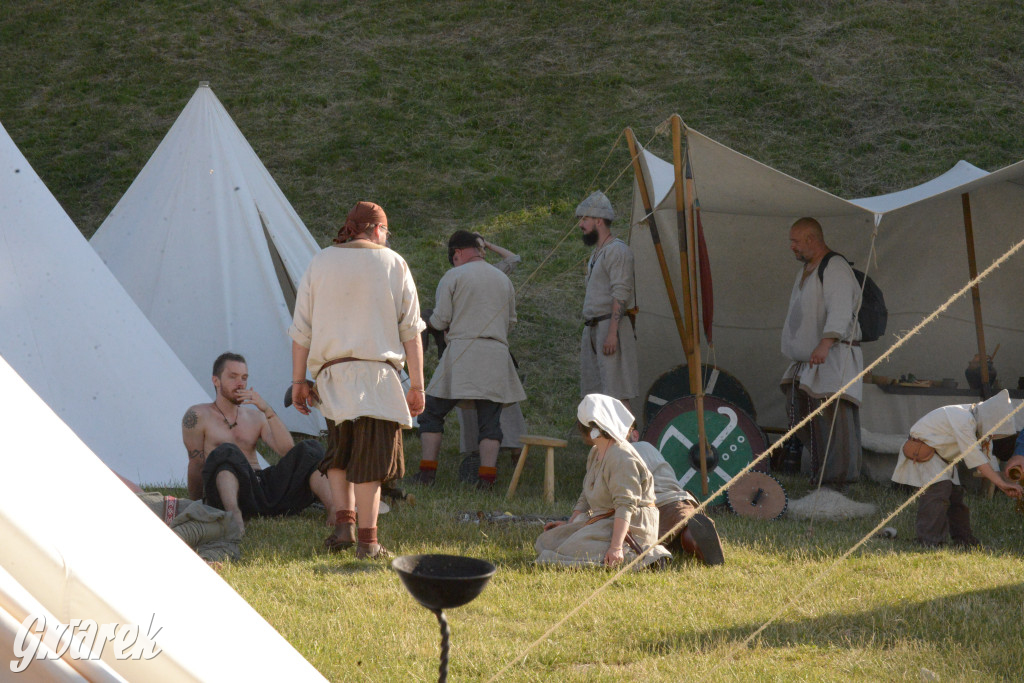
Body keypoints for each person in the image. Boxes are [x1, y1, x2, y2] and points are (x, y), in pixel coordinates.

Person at [290, 201, 425, 560]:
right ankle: (368, 541)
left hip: (332, 375)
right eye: (386, 231)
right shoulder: (393, 262)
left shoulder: (321, 261)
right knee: (370, 459)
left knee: (340, 451)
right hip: (378, 376)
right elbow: (411, 331)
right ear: (377, 229)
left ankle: (343, 527)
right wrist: (417, 385)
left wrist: (299, 380)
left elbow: (301, 330)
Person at [412, 230, 526, 490]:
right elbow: (510, 322)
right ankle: (487, 480)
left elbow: (440, 319)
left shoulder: (453, 275)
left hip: (461, 353)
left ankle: (427, 474)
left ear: (458, 253)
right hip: (496, 354)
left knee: (431, 414)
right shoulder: (502, 280)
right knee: (490, 422)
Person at [182, 352, 333, 534]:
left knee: (310, 449)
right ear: (216, 380)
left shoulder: (255, 416)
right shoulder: (197, 415)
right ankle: (234, 517)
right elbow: (196, 463)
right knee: (226, 451)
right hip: (226, 493)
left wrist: (267, 410)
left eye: (244, 378)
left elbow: (288, 451)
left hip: (259, 488)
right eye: (233, 377)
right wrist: (197, 503)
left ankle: (335, 510)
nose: (240, 383)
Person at [535, 394, 671, 569]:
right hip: (605, 522)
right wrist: (570, 524)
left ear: (590, 428)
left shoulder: (622, 457)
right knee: (546, 541)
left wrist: (615, 548)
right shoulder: (595, 452)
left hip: (631, 529)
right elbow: (586, 493)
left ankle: (640, 556)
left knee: (566, 550)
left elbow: (625, 505)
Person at [780, 217, 863, 486]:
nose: (791, 247)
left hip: (832, 357)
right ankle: (821, 475)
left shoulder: (835, 267)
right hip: (810, 361)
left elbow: (841, 308)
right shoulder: (807, 269)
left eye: (795, 241)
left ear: (811, 239)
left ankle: (839, 482)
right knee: (802, 412)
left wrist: (826, 343)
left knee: (834, 419)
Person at [891, 389, 1023, 547]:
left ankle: (964, 540)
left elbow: (986, 462)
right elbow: (977, 460)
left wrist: (1004, 482)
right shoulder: (963, 419)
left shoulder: (976, 424)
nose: (994, 436)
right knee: (938, 492)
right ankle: (928, 540)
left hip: (941, 459)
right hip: (924, 451)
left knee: (956, 497)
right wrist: (1002, 484)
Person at [454, 237, 528, 474]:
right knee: (468, 402)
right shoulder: (456, 278)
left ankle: (516, 451)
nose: (482, 253)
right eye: (478, 249)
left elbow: (513, 258)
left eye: (483, 249)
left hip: (492, 348)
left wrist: (488, 245)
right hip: (467, 349)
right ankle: (477, 455)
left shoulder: (494, 274)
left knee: (503, 403)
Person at [577, 191, 638, 414]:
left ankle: (630, 445)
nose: (581, 225)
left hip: (610, 328)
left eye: (584, 219)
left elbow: (620, 293)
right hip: (593, 328)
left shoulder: (617, 251)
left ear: (598, 221)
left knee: (617, 393)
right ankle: (605, 446)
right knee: (595, 394)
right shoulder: (597, 254)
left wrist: (612, 332)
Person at [628, 431, 724, 565]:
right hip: (682, 501)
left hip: (655, 508)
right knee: (684, 527)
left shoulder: (621, 453)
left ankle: (692, 540)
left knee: (654, 539)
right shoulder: (648, 447)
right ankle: (693, 539)